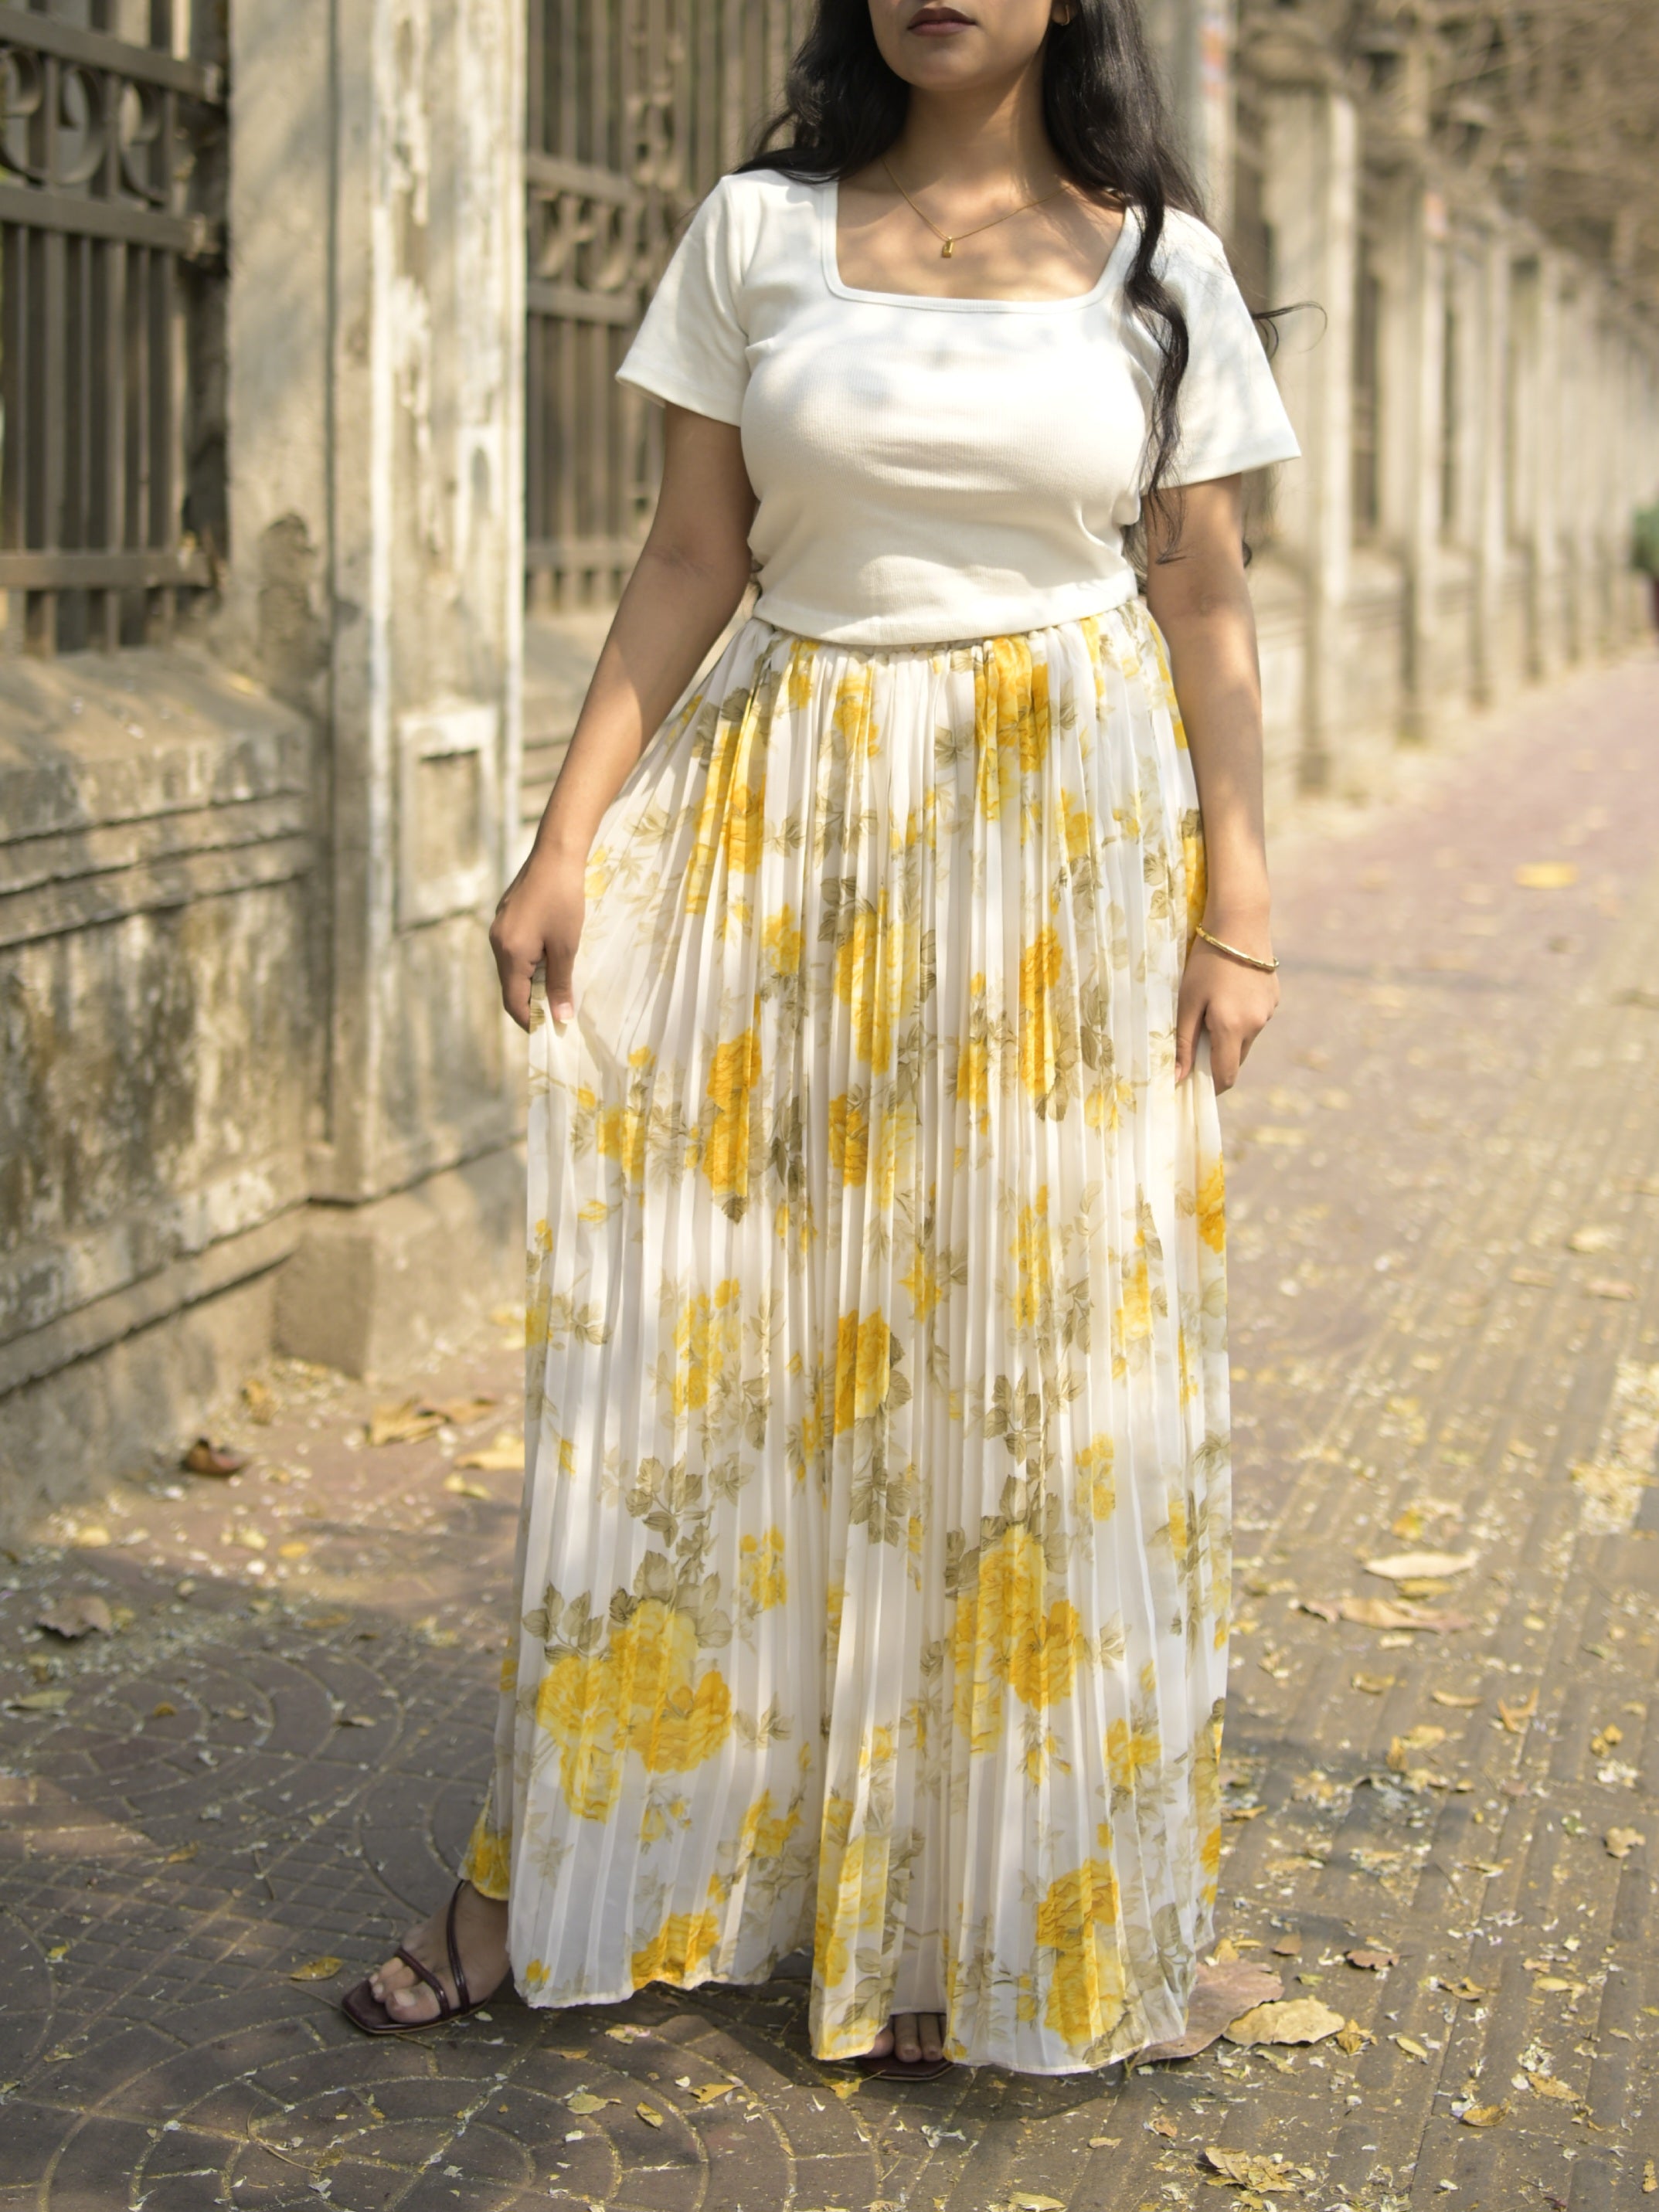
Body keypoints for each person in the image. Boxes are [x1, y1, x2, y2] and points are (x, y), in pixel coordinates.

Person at [345, 0, 1296, 2078]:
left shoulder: (1160, 267)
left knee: (1034, 1374)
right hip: (780, 836)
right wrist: (560, 833)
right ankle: (559, 1876)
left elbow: (1200, 597)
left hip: (1056, 852)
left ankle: (1010, 1910)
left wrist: (1242, 904)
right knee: (708, 1351)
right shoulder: (757, 230)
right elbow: (693, 551)